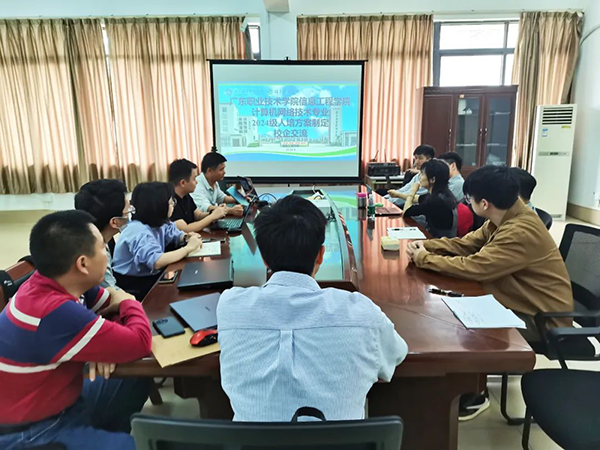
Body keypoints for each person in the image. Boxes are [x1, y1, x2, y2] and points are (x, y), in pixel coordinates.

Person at [218, 195, 408, 421]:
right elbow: (396, 354)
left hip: (251, 440)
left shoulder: (230, 306)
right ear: (320, 255)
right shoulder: (362, 313)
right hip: (342, 440)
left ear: (264, 259)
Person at [405, 165, 573, 420]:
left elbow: (476, 267)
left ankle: (475, 393)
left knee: (462, 325)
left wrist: (424, 259)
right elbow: (467, 244)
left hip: (541, 318)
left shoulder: (520, 230)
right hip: (519, 302)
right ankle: (464, 382)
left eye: (469, 199)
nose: (467, 202)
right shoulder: (505, 216)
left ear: (484, 204)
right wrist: (428, 246)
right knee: (453, 311)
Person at [0, 210, 152, 450]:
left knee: (135, 376)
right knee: (136, 446)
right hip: (34, 430)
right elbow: (141, 340)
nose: (106, 254)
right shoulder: (54, 311)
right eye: (102, 248)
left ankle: (99, 435)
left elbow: (110, 306)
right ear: (83, 263)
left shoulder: (58, 280)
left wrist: (105, 343)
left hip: (61, 400)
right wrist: (128, 300)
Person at [112, 182, 202, 299]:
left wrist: (186, 237)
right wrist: (188, 248)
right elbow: (156, 261)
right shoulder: (137, 230)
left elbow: (174, 234)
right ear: (158, 206)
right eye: (170, 202)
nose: (173, 205)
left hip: (150, 276)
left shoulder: (159, 222)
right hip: (133, 285)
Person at [74, 179, 134, 290]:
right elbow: (111, 293)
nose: (130, 215)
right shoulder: (95, 254)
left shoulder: (101, 237)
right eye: (128, 212)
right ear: (115, 222)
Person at [168, 158, 227, 232]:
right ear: (183, 183)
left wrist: (215, 212)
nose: (197, 182)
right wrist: (212, 217)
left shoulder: (186, 196)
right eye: (194, 179)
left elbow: (198, 215)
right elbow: (186, 229)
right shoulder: (170, 201)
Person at [403, 159, 458, 238]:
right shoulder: (442, 194)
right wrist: (397, 195)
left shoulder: (436, 201)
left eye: (422, 174)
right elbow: (418, 198)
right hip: (443, 238)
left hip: (438, 241)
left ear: (432, 180)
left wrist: (412, 191)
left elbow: (406, 212)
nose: (420, 177)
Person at [191, 152, 244, 216]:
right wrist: (231, 210)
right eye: (221, 169)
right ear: (209, 171)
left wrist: (242, 199)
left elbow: (222, 198)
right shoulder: (196, 186)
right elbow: (207, 208)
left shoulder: (214, 182)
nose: (224, 172)